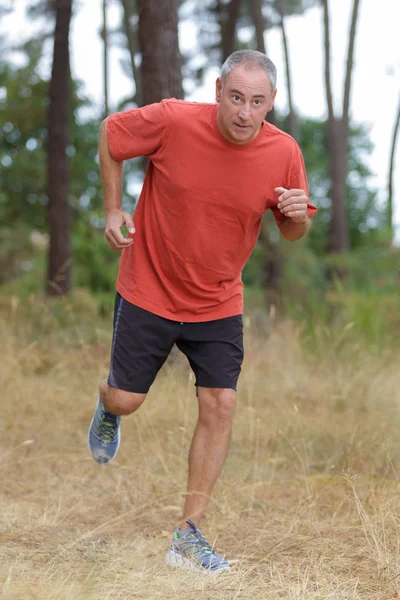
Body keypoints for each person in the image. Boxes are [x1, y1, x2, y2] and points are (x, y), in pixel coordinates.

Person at [88, 49, 317, 574]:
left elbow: (292, 230)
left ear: (271, 103)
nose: (244, 111)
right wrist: (112, 206)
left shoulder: (284, 152)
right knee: (127, 399)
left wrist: (299, 215)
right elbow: (110, 132)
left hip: (218, 299)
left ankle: (187, 535)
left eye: (256, 102)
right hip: (149, 287)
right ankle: (107, 405)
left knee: (221, 404)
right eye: (235, 97)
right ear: (218, 91)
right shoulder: (173, 121)